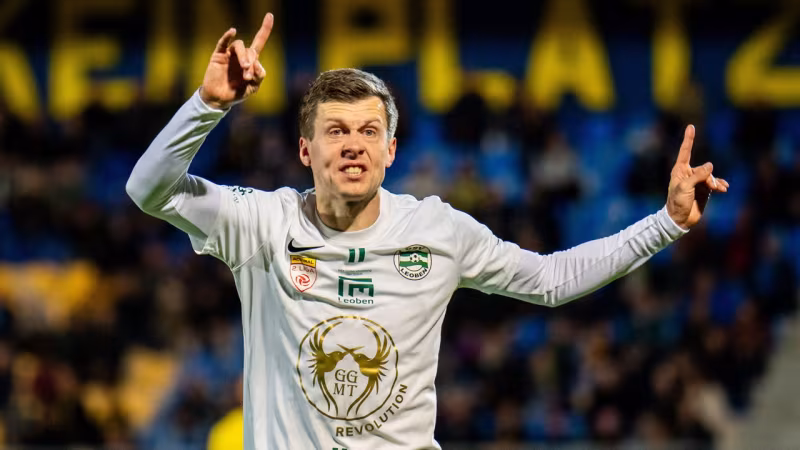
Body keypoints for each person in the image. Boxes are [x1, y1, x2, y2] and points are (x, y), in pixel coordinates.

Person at [126, 12, 729, 450]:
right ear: (305, 150)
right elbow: (148, 190)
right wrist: (207, 104)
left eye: (369, 132)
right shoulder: (262, 223)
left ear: (391, 151)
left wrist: (666, 223)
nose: (354, 146)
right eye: (336, 131)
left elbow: (550, 279)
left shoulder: (437, 230)